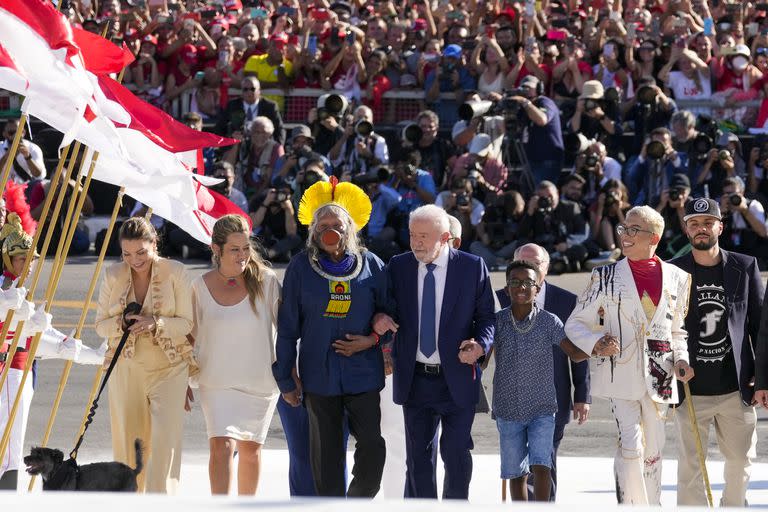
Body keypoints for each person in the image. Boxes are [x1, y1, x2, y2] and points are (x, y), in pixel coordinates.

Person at [562, 206, 693, 505]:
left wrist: (682, 359)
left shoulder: (678, 278)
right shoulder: (604, 276)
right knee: (630, 446)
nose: (625, 235)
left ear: (654, 238)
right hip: (619, 374)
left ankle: (653, 504)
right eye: (624, 228)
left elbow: (677, 331)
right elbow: (575, 324)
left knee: (654, 451)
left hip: (661, 376)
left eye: (634, 230)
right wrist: (596, 343)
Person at [273, 177, 387, 497]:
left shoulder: (373, 266)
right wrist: (286, 377)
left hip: (363, 373)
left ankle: (357, 500)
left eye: (335, 224)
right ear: (312, 230)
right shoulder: (300, 268)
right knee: (326, 457)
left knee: (372, 449)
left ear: (349, 227)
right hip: (318, 376)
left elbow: (391, 317)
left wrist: (374, 342)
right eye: (322, 224)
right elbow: (287, 328)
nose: (329, 230)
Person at [374, 204, 495, 499]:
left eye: (424, 236)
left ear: (444, 237)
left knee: (455, 456)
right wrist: (379, 319)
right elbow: (384, 307)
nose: (416, 242)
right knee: (418, 460)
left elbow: (487, 318)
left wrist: (480, 345)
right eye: (413, 235)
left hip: (456, 376)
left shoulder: (471, 267)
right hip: (415, 379)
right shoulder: (399, 266)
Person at [669, 198, 763, 507]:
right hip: (689, 390)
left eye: (708, 223)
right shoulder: (673, 271)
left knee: (740, 463)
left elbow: (760, 328)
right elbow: (663, 329)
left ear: (720, 227)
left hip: (736, 388)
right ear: (686, 229)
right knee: (689, 469)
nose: (701, 229)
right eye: (694, 224)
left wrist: (763, 381)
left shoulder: (745, 266)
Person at [0, 214, 104, 491]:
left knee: (12, 446)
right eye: (22, 259)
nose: (28, 266)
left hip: (17, 370)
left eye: (31, 259)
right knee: (8, 449)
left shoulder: (20, 291)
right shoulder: (6, 288)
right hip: (6, 370)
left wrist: (84, 353)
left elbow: (41, 338)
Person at [95, 217, 196, 494]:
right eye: (127, 254)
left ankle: (162, 504)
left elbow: (187, 323)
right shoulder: (113, 275)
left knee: (165, 445)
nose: (135, 260)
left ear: (155, 244)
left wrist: (156, 323)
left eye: (141, 252)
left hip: (170, 368)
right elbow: (100, 326)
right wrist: (121, 324)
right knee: (130, 446)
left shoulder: (176, 271)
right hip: (126, 370)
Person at [188, 214, 281, 496]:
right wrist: (181, 380)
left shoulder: (266, 281)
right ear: (216, 249)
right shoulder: (199, 286)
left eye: (245, 248)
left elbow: (288, 331)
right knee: (221, 446)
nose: (242, 255)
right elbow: (188, 337)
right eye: (234, 249)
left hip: (260, 381)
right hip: (216, 382)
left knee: (251, 452)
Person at [498, 243, 590, 501]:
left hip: (552, 399)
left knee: (544, 460)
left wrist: (582, 395)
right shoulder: (499, 299)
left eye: (536, 263)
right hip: (511, 399)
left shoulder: (566, 301)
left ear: (546, 268)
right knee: (517, 466)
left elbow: (577, 351)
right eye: (522, 262)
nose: (529, 268)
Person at [493, 261, 565, 502]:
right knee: (516, 473)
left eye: (528, 283)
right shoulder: (498, 321)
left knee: (542, 466)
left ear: (538, 288)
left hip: (542, 408)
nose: (521, 287)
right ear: (506, 289)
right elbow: (482, 359)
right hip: (508, 408)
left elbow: (574, 352)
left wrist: (598, 345)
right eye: (515, 282)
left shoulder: (549, 321)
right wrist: (472, 350)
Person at [509, 75, 565, 186]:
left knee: (540, 192)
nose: (525, 91)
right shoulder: (524, 107)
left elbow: (542, 119)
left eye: (529, 88)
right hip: (531, 159)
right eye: (523, 88)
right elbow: (514, 126)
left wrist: (525, 102)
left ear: (539, 89)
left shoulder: (545, 102)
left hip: (547, 160)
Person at [215, 76, 285, 145]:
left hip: (263, 145)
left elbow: (279, 129)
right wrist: (228, 141)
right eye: (245, 89)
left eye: (252, 89)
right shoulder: (232, 105)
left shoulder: (270, 106)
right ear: (241, 91)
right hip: (238, 145)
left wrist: (278, 148)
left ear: (259, 91)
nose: (249, 92)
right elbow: (220, 127)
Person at [0, 119, 46, 184]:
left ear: (23, 132)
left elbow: (38, 175)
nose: (15, 136)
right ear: (4, 134)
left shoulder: (33, 148)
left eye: (18, 132)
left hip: (27, 189)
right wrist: (6, 157)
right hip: (3, 189)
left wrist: (28, 157)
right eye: (11, 132)